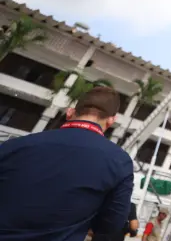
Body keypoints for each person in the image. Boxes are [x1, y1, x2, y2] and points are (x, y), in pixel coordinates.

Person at [0, 86, 134, 241]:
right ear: (111, 121)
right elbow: (111, 224)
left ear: (70, 112)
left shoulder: (16, 145)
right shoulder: (120, 161)